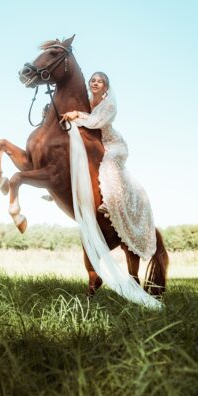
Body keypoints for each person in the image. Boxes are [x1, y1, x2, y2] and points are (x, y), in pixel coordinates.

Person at [61, 72, 157, 260]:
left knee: (108, 162)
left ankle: (110, 201)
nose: (96, 83)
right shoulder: (88, 101)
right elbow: (83, 116)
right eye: (93, 80)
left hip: (114, 145)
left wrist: (77, 115)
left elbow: (96, 122)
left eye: (100, 81)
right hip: (99, 143)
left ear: (106, 87)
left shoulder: (109, 105)